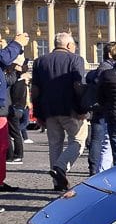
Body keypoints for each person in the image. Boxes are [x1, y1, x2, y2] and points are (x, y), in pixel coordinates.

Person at [30, 31, 88, 191]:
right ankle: (60, 167)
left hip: (49, 110)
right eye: (74, 46)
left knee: (54, 144)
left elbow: (35, 90)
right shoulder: (75, 59)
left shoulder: (39, 61)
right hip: (71, 110)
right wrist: (83, 108)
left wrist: (38, 113)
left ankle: (57, 183)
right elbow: (78, 86)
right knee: (78, 140)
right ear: (69, 45)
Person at [0, 34, 26, 197]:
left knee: (2, 147)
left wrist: (16, 73)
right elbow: (4, 57)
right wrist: (16, 43)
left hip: (1, 108)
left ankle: (0, 181)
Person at [85, 44, 114, 175]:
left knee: (99, 139)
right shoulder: (106, 69)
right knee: (99, 140)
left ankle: (95, 168)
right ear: (110, 54)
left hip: (100, 108)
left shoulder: (101, 69)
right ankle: (95, 169)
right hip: (104, 108)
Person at [6, 55, 28, 166]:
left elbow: (15, 95)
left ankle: (17, 155)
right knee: (13, 132)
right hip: (16, 108)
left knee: (14, 133)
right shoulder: (21, 81)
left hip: (15, 108)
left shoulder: (18, 81)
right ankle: (13, 155)